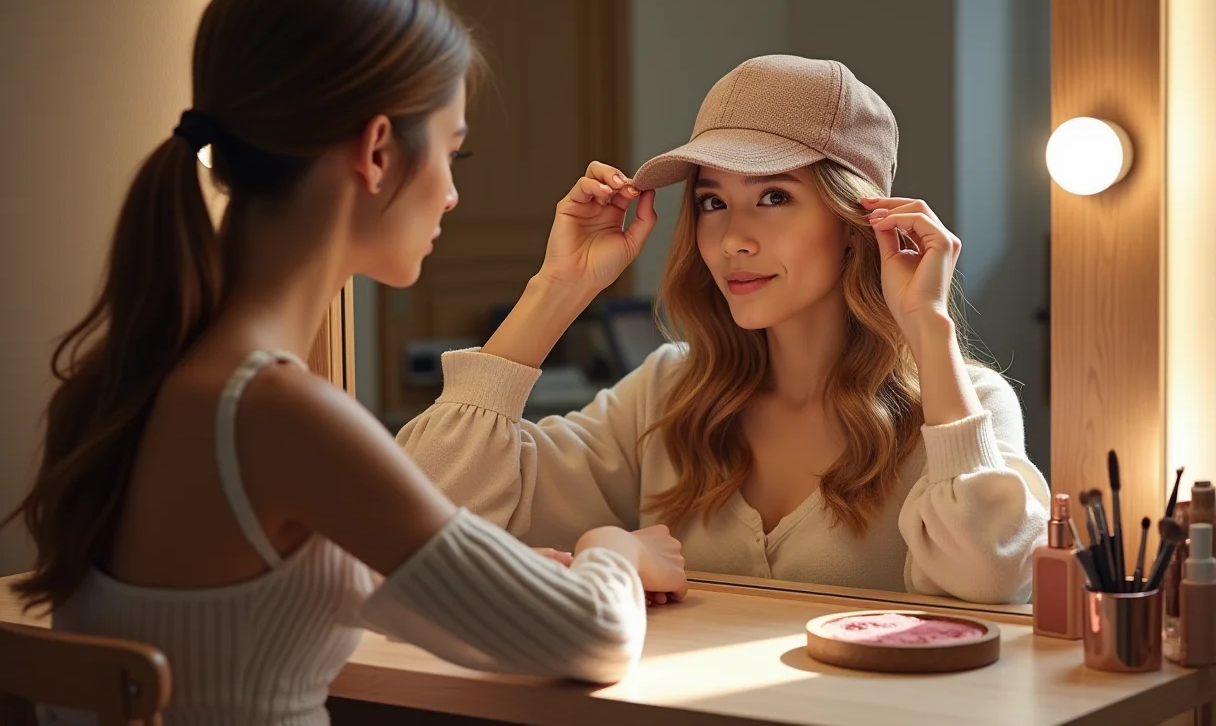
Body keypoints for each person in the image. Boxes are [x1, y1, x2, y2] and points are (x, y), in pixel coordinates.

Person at [2, 0, 688, 725]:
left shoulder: (129, 381)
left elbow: (263, 600)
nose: (454, 195)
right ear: (377, 152)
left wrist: (487, 571)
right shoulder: (278, 414)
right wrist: (614, 551)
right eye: (453, 152)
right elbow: (594, 636)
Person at [398, 55, 1050, 605]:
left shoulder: (967, 405)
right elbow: (431, 511)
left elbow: (991, 582)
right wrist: (556, 290)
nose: (733, 238)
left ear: (858, 222)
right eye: (713, 201)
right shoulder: (670, 390)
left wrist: (927, 329)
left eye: (773, 197)